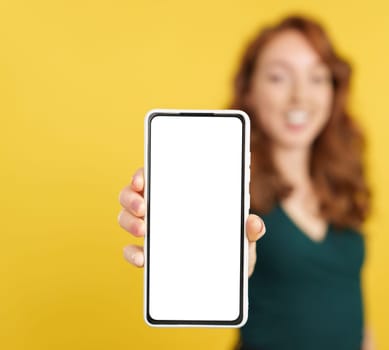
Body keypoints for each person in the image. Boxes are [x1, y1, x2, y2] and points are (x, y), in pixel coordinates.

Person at [118, 15, 374, 350]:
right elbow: (222, 254)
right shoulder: (226, 188)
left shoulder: (341, 181)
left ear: (333, 90)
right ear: (250, 89)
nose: (300, 95)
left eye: (317, 77)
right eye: (279, 77)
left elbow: (350, 304)